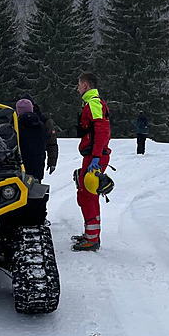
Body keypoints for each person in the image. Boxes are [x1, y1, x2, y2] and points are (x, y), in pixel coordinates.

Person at [72, 72, 111, 252]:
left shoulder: (94, 102)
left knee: (87, 195)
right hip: (93, 155)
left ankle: (92, 239)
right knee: (87, 194)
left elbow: (102, 129)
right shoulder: (91, 103)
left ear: (86, 85)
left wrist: (96, 157)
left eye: (79, 85)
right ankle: (91, 235)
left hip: (95, 156)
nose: (77, 88)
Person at [20, 94, 58, 175]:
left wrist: (52, 162)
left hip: (30, 161)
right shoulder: (44, 121)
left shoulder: (43, 121)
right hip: (36, 161)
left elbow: (51, 143)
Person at [16, 98, 48, 182]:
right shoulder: (40, 124)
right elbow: (45, 142)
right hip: (37, 164)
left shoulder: (16, 125)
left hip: (21, 165)